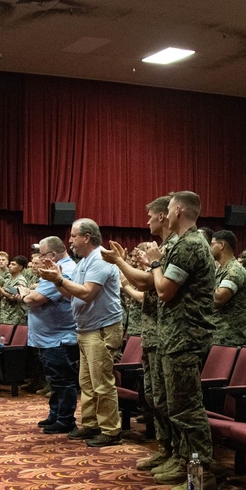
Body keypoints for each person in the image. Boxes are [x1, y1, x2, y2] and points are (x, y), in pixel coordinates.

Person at [144, 191, 217, 490]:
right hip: (175, 336)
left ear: (179, 211)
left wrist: (155, 263)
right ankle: (184, 463)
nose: (166, 215)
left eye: (171, 210)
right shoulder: (184, 243)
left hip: (186, 337)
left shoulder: (190, 245)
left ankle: (201, 477)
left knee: (188, 410)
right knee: (177, 408)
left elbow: (164, 291)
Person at [103, 195, 176, 470]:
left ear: (163, 216)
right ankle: (166, 450)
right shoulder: (165, 250)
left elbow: (157, 287)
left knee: (170, 401)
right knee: (156, 398)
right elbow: (148, 288)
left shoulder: (175, 249)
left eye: (150, 216)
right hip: (154, 333)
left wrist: (125, 266)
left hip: (170, 336)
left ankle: (181, 459)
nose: (146, 221)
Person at [38, 218, 123, 447]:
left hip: (102, 328)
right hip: (86, 329)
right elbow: (70, 295)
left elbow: (86, 293)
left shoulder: (101, 258)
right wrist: (57, 281)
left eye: (74, 236)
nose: (70, 241)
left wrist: (58, 278)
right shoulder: (85, 261)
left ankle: (111, 430)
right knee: (86, 382)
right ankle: (91, 423)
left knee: (101, 383)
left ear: (86, 237)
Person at [25, 236, 79, 434]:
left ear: (52, 255)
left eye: (42, 254)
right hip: (51, 336)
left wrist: (24, 295)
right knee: (55, 380)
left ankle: (65, 419)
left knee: (63, 380)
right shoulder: (56, 269)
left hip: (59, 337)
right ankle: (56, 414)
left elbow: (37, 298)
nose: (39, 258)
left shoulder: (64, 270)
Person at [209, 229, 246, 346]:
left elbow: (219, 298)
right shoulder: (221, 270)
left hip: (228, 337)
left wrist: (201, 283)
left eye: (212, 244)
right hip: (217, 333)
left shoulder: (234, 270)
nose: (209, 248)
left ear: (222, 245)